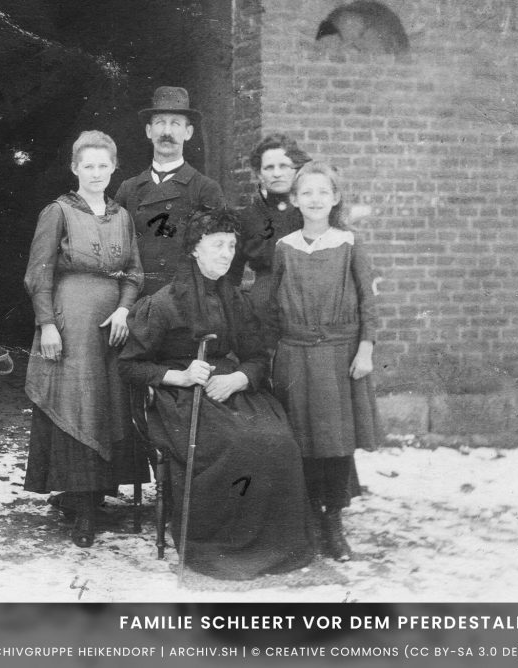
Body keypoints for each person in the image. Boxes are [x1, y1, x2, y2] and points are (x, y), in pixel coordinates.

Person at [117, 207, 315, 580]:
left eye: (231, 246)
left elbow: (257, 357)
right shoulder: (163, 303)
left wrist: (239, 378)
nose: (226, 254)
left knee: (280, 441)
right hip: (180, 397)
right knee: (237, 443)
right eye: (217, 245)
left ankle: (273, 545)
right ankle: (221, 545)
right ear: (195, 248)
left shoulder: (235, 300)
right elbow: (129, 366)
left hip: (228, 386)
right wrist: (180, 375)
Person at [23, 131, 144, 548]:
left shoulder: (122, 216)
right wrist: (47, 325)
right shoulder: (57, 212)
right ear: (75, 168)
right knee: (77, 403)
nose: (95, 173)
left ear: (114, 169)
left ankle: (97, 495)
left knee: (106, 405)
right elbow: (38, 273)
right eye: (87, 166)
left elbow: (134, 272)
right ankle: (81, 506)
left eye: (103, 166)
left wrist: (124, 309)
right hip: (70, 324)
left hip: (111, 329)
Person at [268, 161, 382, 562]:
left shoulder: (349, 243)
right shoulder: (284, 247)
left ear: (335, 198)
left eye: (323, 192)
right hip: (296, 355)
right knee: (302, 440)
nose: (315, 199)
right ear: (295, 200)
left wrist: (365, 348)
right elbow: (273, 302)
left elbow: (367, 301)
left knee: (335, 442)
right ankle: (310, 519)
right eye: (307, 193)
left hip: (338, 356)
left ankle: (333, 522)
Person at [114, 86, 224, 298]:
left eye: (175, 123)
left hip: (184, 301)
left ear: (188, 132)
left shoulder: (206, 189)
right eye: (160, 123)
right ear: (149, 131)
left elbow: (217, 256)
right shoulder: (128, 189)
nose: (167, 132)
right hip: (137, 301)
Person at [224, 134, 311, 315]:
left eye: (284, 166)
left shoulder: (310, 212)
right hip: (263, 307)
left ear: (296, 170)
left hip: (308, 303)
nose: (277, 173)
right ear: (259, 174)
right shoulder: (247, 217)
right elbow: (231, 274)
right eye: (269, 167)